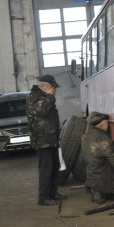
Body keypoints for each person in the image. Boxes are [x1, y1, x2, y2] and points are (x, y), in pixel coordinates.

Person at [26, 74, 68, 206]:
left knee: (54, 166)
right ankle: (43, 197)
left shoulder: (44, 97)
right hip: (42, 140)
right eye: (53, 88)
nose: (55, 90)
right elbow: (41, 110)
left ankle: (52, 193)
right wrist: (50, 96)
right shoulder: (34, 97)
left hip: (51, 139)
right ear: (45, 86)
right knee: (46, 169)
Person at [81, 112, 114, 204]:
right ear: (101, 126)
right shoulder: (104, 140)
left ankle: (95, 188)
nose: (108, 125)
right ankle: (101, 191)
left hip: (92, 174)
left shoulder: (86, 136)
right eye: (107, 123)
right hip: (103, 176)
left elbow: (99, 149)